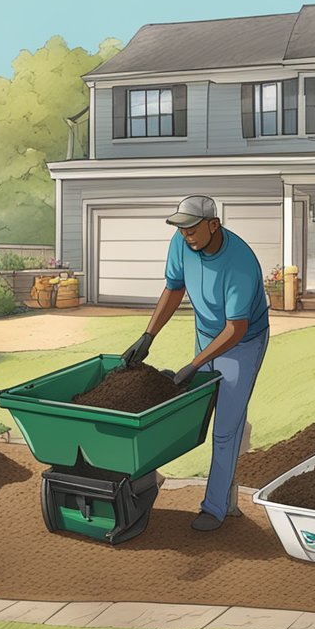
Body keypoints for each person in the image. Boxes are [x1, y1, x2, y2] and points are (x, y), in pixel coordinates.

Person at [121, 195, 270, 531]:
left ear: (213, 225)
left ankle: (216, 508)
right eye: (181, 229)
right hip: (206, 334)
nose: (185, 235)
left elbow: (236, 328)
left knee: (226, 427)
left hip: (242, 345)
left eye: (191, 228)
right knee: (186, 413)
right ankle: (152, 479)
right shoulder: (182, 243)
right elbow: (174, 289)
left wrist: (193, 365)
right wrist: (148, 336)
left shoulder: (240, 262)